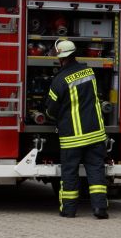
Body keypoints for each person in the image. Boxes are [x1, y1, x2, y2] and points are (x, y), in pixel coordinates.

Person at [44, 39, 109, 219]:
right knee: (96, 171)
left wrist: (50, 116)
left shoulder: (59, 81)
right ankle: (100, 209)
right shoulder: (90, 72)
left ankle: (69, 210)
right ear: (74, 54)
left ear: (61, 58)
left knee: (70, 173)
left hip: (72, 137)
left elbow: (51, 110)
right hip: (95, 133)